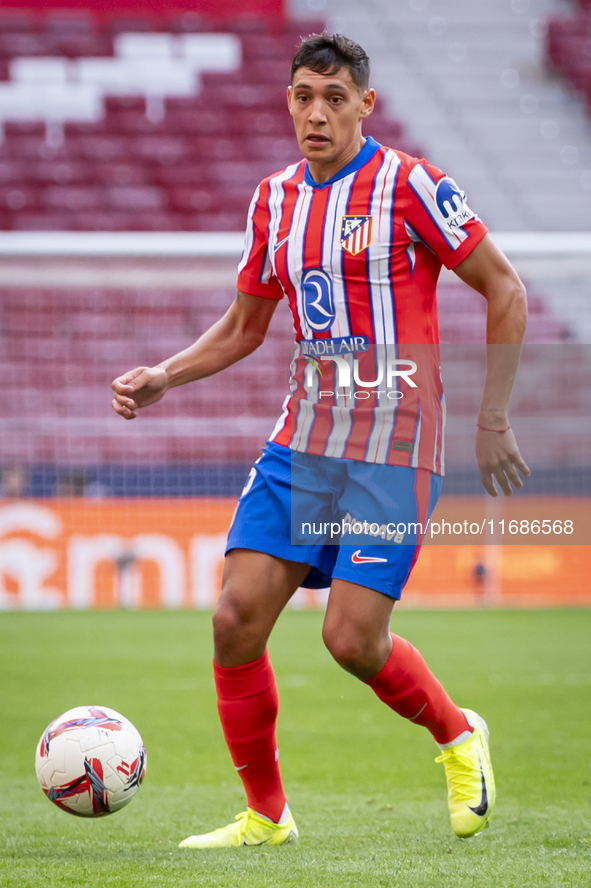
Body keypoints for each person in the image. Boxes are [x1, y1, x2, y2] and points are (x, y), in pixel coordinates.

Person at [111, 33, 529, 848]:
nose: (316, 112)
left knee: (350, 639)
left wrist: (491, 418)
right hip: (303, 440)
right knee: (234, 619)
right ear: (288, 101)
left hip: (393, 443)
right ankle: (266, 817)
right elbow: (243, 326)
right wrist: (166, 374)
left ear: (364, 106)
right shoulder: (273, 200)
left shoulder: (410, 185)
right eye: (303, 95)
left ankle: (457, 737)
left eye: (334, 98)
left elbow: (504, 288)